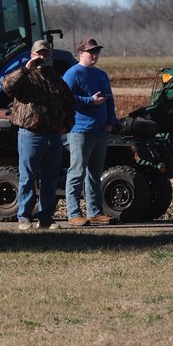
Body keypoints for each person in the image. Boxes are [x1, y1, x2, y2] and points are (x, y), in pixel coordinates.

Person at [1, 39, 76, 230]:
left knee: (50, 180)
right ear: (32, 56)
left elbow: (69, 104)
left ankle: (46, 218)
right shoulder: (25, 78)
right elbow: (7, 86)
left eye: (46, 53)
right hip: (30, 135)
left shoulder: (56, 79)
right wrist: (26, 69)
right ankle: (24, 217)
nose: (43, 57)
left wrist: (66, 125)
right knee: (27, 178)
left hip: (53, 136)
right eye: (39, 54)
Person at [63, 37, 118, 227]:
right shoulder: (72, 74)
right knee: (77, 172)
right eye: (91, 52)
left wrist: (111, 120)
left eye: (97, 52)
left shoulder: (101, 74)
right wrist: (89, 101)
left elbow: (110, 99)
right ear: (81, 53)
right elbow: (66, 99)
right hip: (80, 131)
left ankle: (95, 212)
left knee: (95, 174)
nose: (94, 55)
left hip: (100, 131)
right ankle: (74, 213)